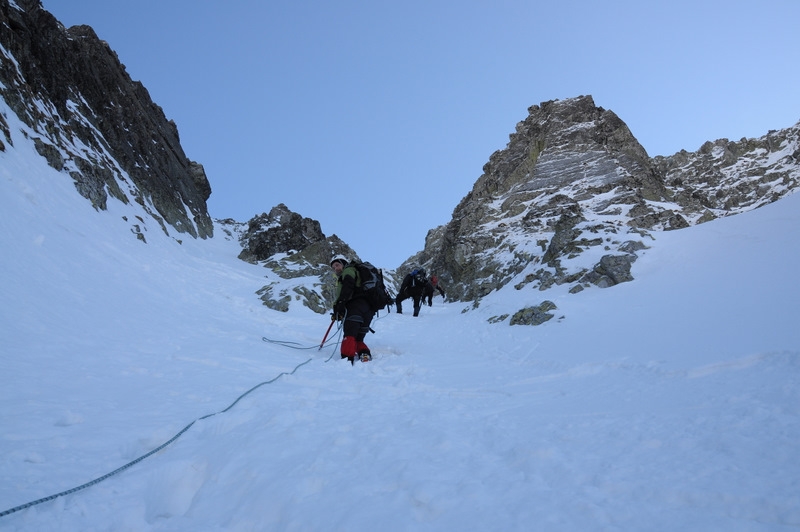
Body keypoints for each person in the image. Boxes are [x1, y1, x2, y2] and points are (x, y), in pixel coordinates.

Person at [330, 255, 374, 364]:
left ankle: (347, 359)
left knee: (349, 335)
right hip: (368, 310)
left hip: (355, 308)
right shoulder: (358, 272)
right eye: (334, 267)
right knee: (358, 338)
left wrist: (340, 304)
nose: (336, 269)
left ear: (344, 263)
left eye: (337, 265)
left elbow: (348, 286)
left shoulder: (348, 270)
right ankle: (364, 353)